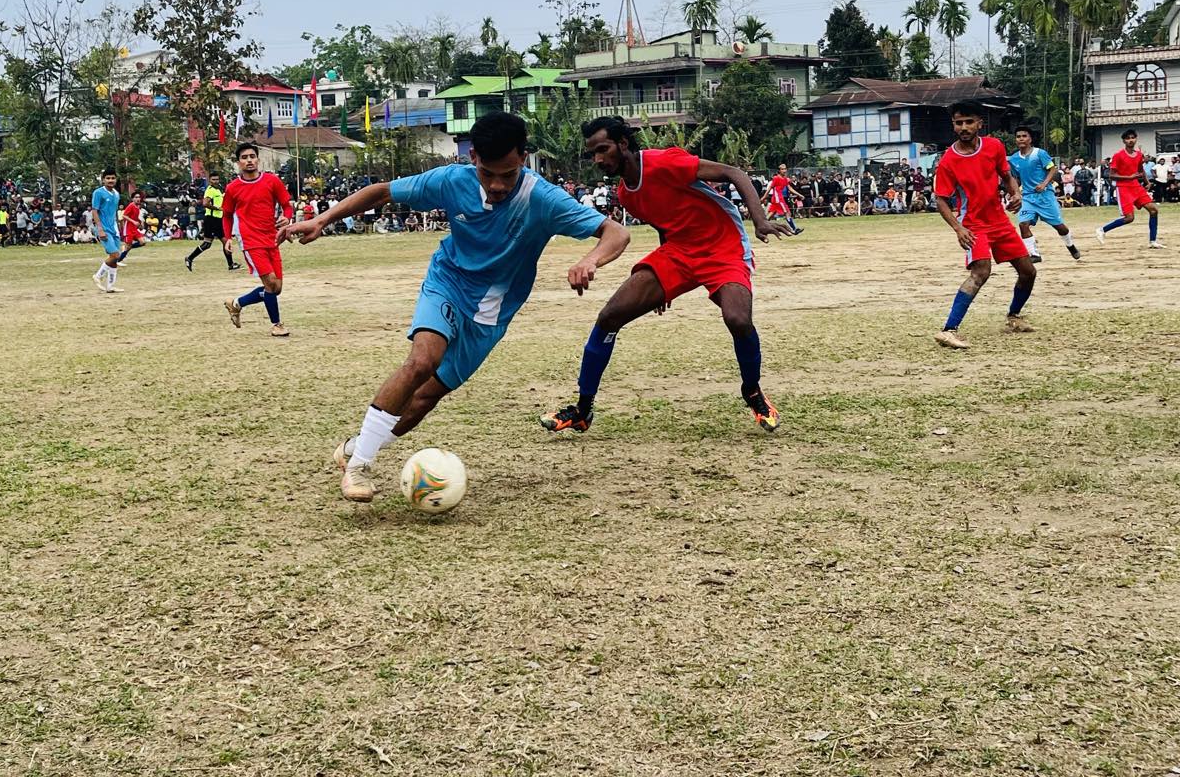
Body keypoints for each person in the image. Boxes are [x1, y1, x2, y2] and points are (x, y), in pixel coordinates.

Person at [280, 111, 629, 502]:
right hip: (447, 283)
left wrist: (590, 260)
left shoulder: (542, 198)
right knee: (421, 361)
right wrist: (322, 220)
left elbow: (615, 232)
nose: (497, 185)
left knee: (425, 399)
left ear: (524, 158)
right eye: (488, 173)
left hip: (492, 313)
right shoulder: (451, 180)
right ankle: (359, 467)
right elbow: (381, 191)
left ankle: (356, 447)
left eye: (509, 174)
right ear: (474, 157)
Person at [541, 116, 790, 435]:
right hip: (679, 252)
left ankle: (753, 392)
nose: (598, 159)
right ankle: (583, 410)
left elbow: (734, 172)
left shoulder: (663, 162)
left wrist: (760, 221)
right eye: (592, 154)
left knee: (738, 319)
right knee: (609, 317)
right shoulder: (627, 194)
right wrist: (665, 284)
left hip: (721, 246)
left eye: (603, 149)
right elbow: (664, 224)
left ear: (624, 144)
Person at [930, 103, 1037, 350]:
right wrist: (959, 228)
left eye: (969, 121)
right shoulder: (948, 161)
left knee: (1028, 271)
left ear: (980, 123)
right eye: (959, 123)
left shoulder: (994, 146)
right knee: (981, 272)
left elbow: (1006, 174)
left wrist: (1016, 193)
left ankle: (1014, 318)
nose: (964, 127)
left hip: (999, 221)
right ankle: (948, 330)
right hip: (974, 225)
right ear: (954, 126)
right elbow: (941, 199)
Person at [221, 142, 295, 337]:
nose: (249, 161)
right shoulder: (233, 188)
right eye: (244, 158)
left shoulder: (272, 181)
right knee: (270, 283)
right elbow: (227, 215)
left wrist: (287, 217)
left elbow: (287, 205)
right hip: (250, 240)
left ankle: (237, 303)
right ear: (238, 163)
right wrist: (227, 238)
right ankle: (277, 325)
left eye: (252, 157)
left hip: (272, 238)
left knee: (276, 288)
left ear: (258, 159)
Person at [1008, 123, 1080, 262]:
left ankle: (1070, 245)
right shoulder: (1014, 159)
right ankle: (1034, 254)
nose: (1021, 139)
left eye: (1024, 136)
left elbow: (1052, 169)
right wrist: (1014, 193)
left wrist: (1044, 184)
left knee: (1060, 227)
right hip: (1028, 197)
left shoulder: (1039, 153)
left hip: (1045, 196)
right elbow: (1015, 179)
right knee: (1023, 224)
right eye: (1018, 137)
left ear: (1030, 139)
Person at [1095, 129, 1162, 249]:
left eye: (1133, 137)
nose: (1131, 140)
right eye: (1128, 138)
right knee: (1129, 218)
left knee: (1153, 210)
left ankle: (1153, 241)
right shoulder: (1118, 156)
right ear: (1124, 141)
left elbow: (1140, 170)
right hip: (1123, 188)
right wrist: (1129, 177)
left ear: (1136, 139)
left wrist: (1147, 182)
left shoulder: (1139, 155)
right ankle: (1102, 230)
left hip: (1136, 186)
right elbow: (1111, 175)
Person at [185, 178, 238, 272]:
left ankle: (231, 265)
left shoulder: (218, 190)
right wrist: (218, 208)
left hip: (218, 220)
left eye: (217, 179)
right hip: (211, 219)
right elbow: (205, 203)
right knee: (207, 244)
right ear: (210, 181)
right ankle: (189, 258)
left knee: (226, 242)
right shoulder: (210, 190)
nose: (216, 181)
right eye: (214, 179)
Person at [87, 169, 128, 293]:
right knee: (115, 255)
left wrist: (118, 227)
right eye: (108, 178)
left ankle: (110, 286)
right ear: (103, 180)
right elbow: (95, 211)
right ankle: (98, 276)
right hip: (103, 228)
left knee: (115, 257)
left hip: (113, 228)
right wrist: (100, 229)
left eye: (113, 178)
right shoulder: (98, 193)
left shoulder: (116, 194)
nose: (110, 180)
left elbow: (114, 212)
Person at [764, 164, 802, 235]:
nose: (784, 170)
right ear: (779, 170)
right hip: (778, 199)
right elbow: (770, 188)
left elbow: (789, 188)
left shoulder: (785, 179)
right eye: (782, 169)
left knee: (771, 213)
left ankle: (763, 226)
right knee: (787, 213)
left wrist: (799, 194)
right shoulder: (776, 178)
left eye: (785, 169)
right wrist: (764, 197)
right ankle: (794, 229)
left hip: (779, 198)